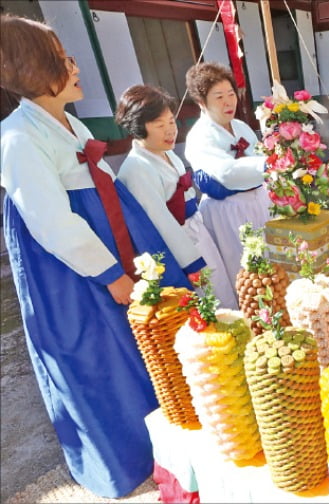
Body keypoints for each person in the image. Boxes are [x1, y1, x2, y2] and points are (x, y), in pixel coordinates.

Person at [0, 15, 194, 498]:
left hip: (109, 242)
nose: (75, 66)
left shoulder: (67, 121)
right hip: (71, 268)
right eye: (62, 59)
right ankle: (121, 459)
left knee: (137, 344)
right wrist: (110, 273)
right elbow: (51, 222)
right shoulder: (19, 137)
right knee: (94, 353)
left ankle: (158, 440)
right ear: (34, 68)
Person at [115, 84, 238, 309]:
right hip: (179, 243)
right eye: (160, 125)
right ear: (138, 127)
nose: (170, 130)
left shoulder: (167, 154)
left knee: (222, 288)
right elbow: (161, 223)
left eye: (171, 121)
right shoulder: (136, 169)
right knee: (208, 299)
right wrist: (190, 263)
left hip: (196, 230)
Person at [184, 62, 270, 288]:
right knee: (242, 268)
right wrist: (268, 164)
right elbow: (226, 173)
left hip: (258, 201)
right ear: (202, 103)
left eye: (231, 94)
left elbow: (259, 153)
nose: (228, 102)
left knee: (270, 261)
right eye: (219, 97)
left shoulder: (240, 126)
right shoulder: (200, 136)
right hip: (228, 209)